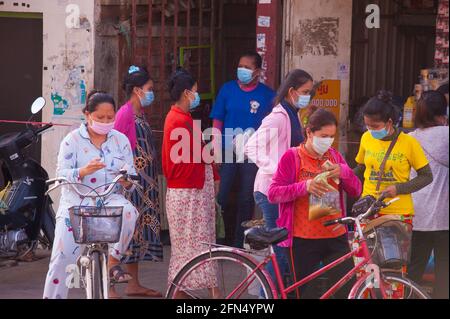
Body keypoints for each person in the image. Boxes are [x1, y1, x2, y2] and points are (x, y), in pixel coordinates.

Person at [43, 91, 139, 299]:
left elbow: (132, 178)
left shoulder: (120, 141)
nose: (106, 122)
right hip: (76, 203)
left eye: (110, 117)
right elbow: (61, 174)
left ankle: (114, 260)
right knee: (61, 260)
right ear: (87, 115)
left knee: (130, 212)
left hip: (108, 200)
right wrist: (83, 171)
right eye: (100, 118)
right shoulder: (72, 140)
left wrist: (127, 180)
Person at [268, 109, 362, 299]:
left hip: (335, 234)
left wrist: (344, 172)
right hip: (302, 239)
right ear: (309, 132)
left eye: (331, 137)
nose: (327, 141)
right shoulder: (292, 157)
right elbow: (273, 194)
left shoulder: (334, 156)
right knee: (304, 293)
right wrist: (305, 187)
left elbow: (356, 190)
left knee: (347, 290)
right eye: (323, 136)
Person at [244, 69, 314, 287]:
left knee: (286, 250)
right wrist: (277, 170)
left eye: (310, 92)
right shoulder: (278, 117)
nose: (307, 96)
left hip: (284, 191)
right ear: (291, 91)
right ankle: (269, 294)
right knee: (282, 252)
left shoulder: (293, 115)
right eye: (305, 92)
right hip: (270, 191)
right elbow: (251, 146)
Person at [162, 68, 220, 299]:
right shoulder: (178, 119)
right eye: (195, 91)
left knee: (194, 245)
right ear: (187, 93)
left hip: (192, 192)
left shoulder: (182, 118)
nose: (198, 95)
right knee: (195, 245)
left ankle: (183, 290)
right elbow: (191, 157)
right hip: (189, 193)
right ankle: (208, 292)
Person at [210, 52, 276, 248]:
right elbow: (217, 120)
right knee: (222, 196)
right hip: (228, 150)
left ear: (257, 71)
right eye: (241, 65)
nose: (243, 70)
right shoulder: (227, 90)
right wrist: (216, 148)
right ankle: (220, 240)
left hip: (252, 154)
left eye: (247, 67)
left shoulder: (267, 95)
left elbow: (272, 126)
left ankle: (241, 241)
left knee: (246, 197)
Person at [112, 65, 163, 299]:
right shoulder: (124, 114)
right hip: (130, 185)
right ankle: (109, 287)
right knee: (122, 234)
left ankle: (134, 284)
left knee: (137, 235)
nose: (152, 93)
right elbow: (115, 148)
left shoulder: (140, 113)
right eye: (149, 89)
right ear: (136, 90)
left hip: (144, 186)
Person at [354, 90, 433, 221]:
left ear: (389, 122)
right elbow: (361, 168)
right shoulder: (366, 138)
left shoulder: (409, 142)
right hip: (368, 210)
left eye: (375, 126)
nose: (370, 130)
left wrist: (399, 188)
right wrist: (343, 176)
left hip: (398, 212)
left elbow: (427, 176)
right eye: (367, 125)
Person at [408, 91, 449, 299]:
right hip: (444, 217)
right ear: (443, 112)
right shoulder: (447, 135)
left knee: (414, 269)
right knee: (445, 271)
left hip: (417, 215)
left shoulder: (409, 138)